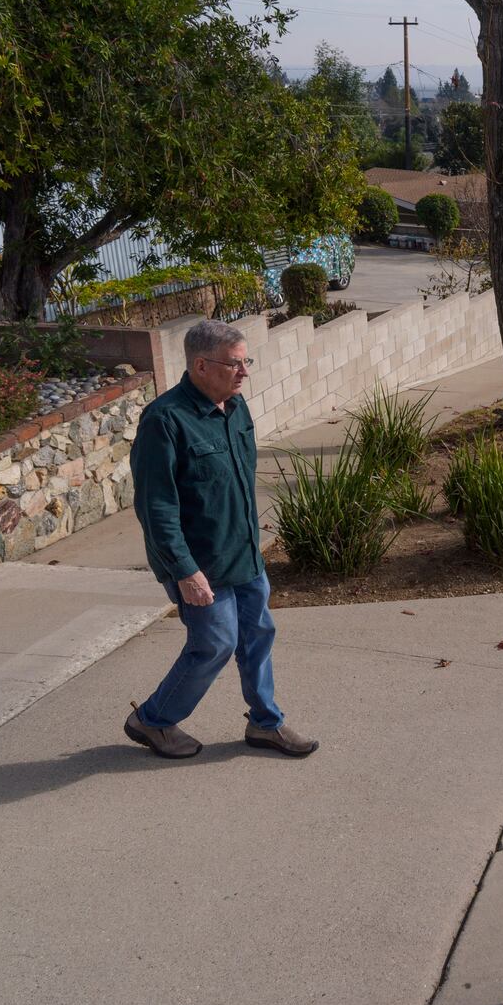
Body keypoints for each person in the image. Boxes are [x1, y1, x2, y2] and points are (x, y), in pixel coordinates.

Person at [121, 320, 317, 760]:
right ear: (201, 365)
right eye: (236, 363)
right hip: (200, 562)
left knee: (258, 635)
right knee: (215, 643)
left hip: (244, 552)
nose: (244, 371)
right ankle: (152, 720)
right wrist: (184, 570)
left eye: (247, 361)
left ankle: (266, 724)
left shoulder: (236, 406)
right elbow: (155, 508)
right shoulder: (165, 421)